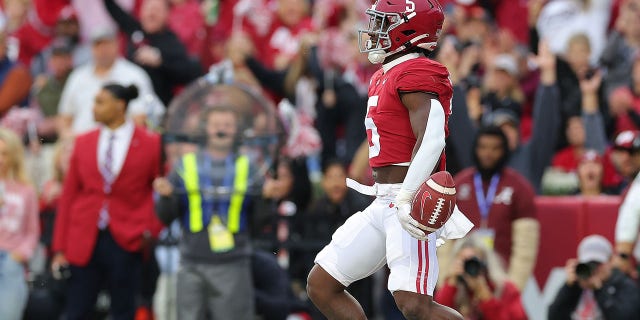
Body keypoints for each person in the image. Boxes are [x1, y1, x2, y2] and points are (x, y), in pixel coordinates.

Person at [306, 1, 473, 319]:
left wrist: (410, 195)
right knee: (322, 284)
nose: (375, 30)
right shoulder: (386, 74)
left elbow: (433, 138)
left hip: (408, 197)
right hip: (384, 200)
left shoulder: (418, 71)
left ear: (407, 29)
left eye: (384, 22)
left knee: (415, 306)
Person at [51, 83, 163, 320]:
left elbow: (162, 189)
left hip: (128, 237)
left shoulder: (151, 143)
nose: (94, 108)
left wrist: (149, 230)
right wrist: (60, 247)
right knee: (77, 309)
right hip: (84, 236)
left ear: (120, 105)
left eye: (101, 102)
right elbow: (69, 195)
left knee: (124, 309)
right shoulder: (84, 141)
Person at [153, 105, 259, 320]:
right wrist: (165, 197)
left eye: (228, 125)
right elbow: (166, 216)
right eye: (216, 125)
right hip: (191, 263)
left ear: (237, 130)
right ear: (205, 129)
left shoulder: (249, 167)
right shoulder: (185, 164)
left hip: (233, 264)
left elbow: (260, 221)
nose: (222, 130)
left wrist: (267, 199)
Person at [448, 126, 539, 291]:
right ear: (475, 149)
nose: (487, 154)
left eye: (494, 148)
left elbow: (525, 247)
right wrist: (446, 281)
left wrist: (513, 289)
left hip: (500, 280)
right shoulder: (459, 184)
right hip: (461, 279)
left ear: (505, 151)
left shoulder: (519, 188)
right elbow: (444, 240)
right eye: (483, 147)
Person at [435, 231, 528, 320]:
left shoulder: (504, 289)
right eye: (464, 261)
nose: (468, 267)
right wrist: (451, 283)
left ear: (485, 263)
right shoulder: (453, 287)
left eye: (473, 262)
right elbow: (438, 316)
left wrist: (486, 297)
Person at [548, 235, 640, 320]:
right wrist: (569, 287)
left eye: (597, 263)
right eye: (588, 263)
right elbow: (553, 317)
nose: (594, 269)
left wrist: (600, 289)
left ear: (610, 262)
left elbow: (627, 317)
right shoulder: (576, 285)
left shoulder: (623, 284)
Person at [0, 128, 40, 320]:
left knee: (8, 314)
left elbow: (32, 231)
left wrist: (20, 254)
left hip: (11, 261)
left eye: (4, 153)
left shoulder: (26, 190)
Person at [613, 132, 640, 276]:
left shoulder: (636, 189)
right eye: (621, 152)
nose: (626, 158)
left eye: (632, 152)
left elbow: (626, 239)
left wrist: (623, 256)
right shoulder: (624, 187)